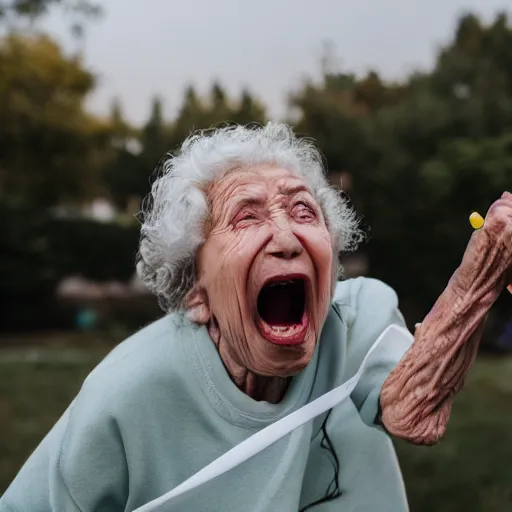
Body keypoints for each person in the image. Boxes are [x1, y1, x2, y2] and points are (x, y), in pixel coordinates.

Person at [1, 123, 511, 512]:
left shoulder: (356, 321)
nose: (287, 239)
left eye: (304, 212)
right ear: (195, 291)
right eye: (247, 216)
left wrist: (483, 271)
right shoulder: (128, 393)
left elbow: (415, 413)